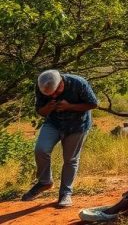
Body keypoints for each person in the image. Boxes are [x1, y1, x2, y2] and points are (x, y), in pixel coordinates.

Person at [21, 70, 98, 208]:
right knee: (41, 149)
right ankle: (45, 182)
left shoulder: (78, 83)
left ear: (61, 82)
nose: (54, 95)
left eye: (56, 92)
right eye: (50, 95)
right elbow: (40, 111)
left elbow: (93, 104)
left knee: (70, 159)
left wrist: (70, 106)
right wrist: (47, 108)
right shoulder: (42, 86)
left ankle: (65, 194)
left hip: (77, 125)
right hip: (54, 123)